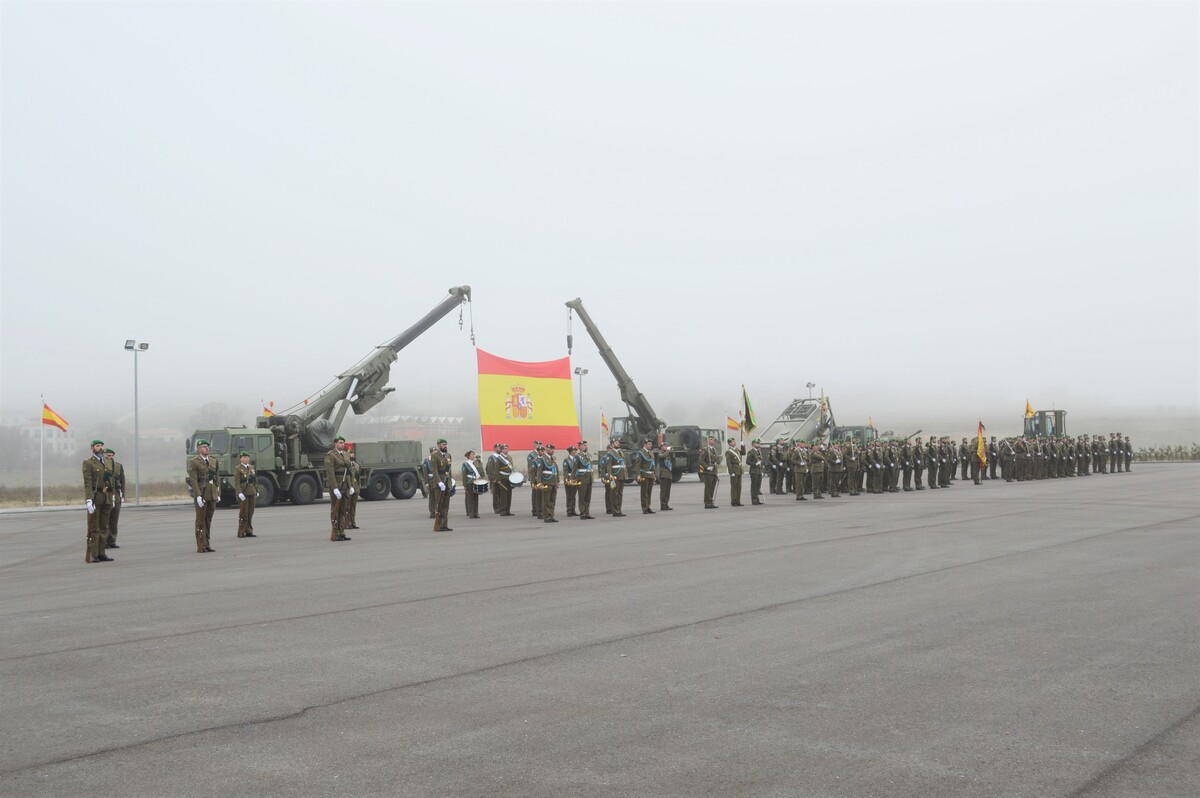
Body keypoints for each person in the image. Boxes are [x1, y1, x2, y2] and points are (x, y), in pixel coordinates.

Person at [82, 439, 114, 563]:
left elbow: (111, 481)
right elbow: (88, 482)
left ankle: (102, 553)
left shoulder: (107, 462)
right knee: (94, 528)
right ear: (92, 448)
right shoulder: (88, 463)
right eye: (97, 446)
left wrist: (113, 496)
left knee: (104, 527)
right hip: (96, 497)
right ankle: (94, 554)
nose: (100, 448)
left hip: (107, 497)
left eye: (101, 446)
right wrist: (89, 500)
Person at [188, 439, 220, 552]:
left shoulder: (213, 461)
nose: (206, 448)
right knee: (200, 520)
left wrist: (217, 491)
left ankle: (207, 544)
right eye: (203, 446)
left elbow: (217, 476)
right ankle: (201, 544)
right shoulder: (194, 462)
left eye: (207, 446)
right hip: (202, 493)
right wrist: (197, 495)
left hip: (212, 493)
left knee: (208, 519)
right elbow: (194, 480)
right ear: (198, 449)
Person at [324, 436, 353, 541]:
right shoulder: (330, 455)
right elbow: (330, 473)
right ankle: (335, 533)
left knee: (344, 510)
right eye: (340, 443)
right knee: (335, 510)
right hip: (338, 485)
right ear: (335, 444)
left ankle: (341, 532)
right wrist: (334, 488)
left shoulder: (345, 454)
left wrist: (351, 485)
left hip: (346, 485)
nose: (342, 444)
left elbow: (350, 470)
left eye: (343, 443)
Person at [104, 448, 125, 548]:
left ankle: (112, 540)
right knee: (105, 520)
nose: (110, 457)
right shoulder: (102, 466)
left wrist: (123, 495)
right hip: (106, 494)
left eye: (112, 456)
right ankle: (104, 541)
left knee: (114, 519)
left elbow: (122, 481)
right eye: (108, 456)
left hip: (116, 494)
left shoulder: (118, 466)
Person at [430, 438, 453, 531]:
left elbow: (449, 471)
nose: (445, 446)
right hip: (440, 483)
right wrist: (439, 482)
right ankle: (438, 525)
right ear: (439, 445)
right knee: (439, 504)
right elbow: (434, 470)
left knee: (446, 505)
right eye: (443, 444)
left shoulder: (448, 455)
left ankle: (444, 525)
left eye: (446, 444)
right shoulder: (435, 456)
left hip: (446, 482)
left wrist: (450, 482)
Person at [234, 450, 257, 538]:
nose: (246, 459)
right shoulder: (238, 468)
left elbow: (255, 479)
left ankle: (249, 531)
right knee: (244, 513)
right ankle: (241, 531)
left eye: (247, 457)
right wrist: (239, 492)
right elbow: (237, 482)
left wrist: (257, 490)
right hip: (244, 492)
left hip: (252, 491)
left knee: (250, 512)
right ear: (240, 459)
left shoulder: (251, 467)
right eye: (244, 457)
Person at [535, 443, 560, 522]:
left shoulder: (554, 458)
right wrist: (539, 482)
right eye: (551, 449)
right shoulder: (543, 458)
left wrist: (558, 481)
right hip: (546, 481)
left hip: (553, 482)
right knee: (546, 501)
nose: (552, 451)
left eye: (553, 449)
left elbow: (556, 471)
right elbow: (539, 471)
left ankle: (551, 515)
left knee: (552, 500)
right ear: (547, 450)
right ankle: (546, 516)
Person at [602, 439, 627, 517]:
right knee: (614, 494)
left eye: (618, 442)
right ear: (612, 445)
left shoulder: (620, 452)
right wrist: (610, 475)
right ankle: (615, 511)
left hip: (621, 475)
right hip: (615, 476)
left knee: (620, 494)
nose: (618, 444)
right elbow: (608, 466)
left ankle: (619, 509)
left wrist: (625, 474)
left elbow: (623, 464)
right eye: (616, 443)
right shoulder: (610, 453)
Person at [571, 441, 595, 519]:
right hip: (582, 478)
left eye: (586, 445)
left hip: (589, 478)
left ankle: (587, 512)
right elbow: (574, 468)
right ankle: (582, 513)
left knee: (588, 497)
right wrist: (573, 479)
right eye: (584, 445)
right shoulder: (578, 456)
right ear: (580, 447)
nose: (586, 446)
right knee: (582, 497)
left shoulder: (589, 455)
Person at [635, 439, 657, 514]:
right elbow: (638, 465)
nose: (651, 445)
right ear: (645, 444)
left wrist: (654, 474)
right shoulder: (640, 453)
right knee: (644, 492)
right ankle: (644, 508)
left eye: (651, 444)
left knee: (649, 492)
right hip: (644, 474)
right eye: (649, 444)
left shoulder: (650, 452)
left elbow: (653, 464)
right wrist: (638, 475)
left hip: (651, 475)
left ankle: (648, 507)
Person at [698, 435, 720, 509]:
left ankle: (711, 502)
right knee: (708, 488)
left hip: (714, 472)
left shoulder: (714, 450)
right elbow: (701, 460)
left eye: (713, 439)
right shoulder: (705, 449)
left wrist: (717, 463)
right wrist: (707, 467)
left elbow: (716, 460)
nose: (712, 441)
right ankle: (707, 503)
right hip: (708, 472)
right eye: (711, 439)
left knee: (712, 488)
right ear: (707, 441)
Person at [461, 449, 484, 519]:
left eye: (473, 454)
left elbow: (479, 472)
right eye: (472, 454)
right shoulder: (465, 464)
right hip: (469, 482)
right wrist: (464, 485)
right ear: (468, 456)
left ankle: (476, 513)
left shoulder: (475, 463)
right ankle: (471, 513)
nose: (473, 456)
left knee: (475, 498)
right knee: (470, 498)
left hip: (476, 481)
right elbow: (464, 475)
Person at [495, 443, 516, 516]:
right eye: (505, 449)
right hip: (503, 478)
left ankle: (508, 510)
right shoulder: (499, 459)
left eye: (507, 448)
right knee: (503, 495)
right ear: (501, 450)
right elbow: (496, 470)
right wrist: (498, 480)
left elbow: (511, 467)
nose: (506, 450)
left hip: (509, 478)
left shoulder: (509, 457)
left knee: (509, 495)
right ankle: (503, 511)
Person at [725, 438, 744, 506]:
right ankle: (733, 501)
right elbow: (728, 463)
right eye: (733, 441)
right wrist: (731, 472)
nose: (734, 442)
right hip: (734, 469)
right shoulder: (729, 452)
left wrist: (743, 445)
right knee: (734, 487)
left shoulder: (737, 449)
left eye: (734, 441)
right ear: (730, 443)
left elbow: (743, 453)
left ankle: (738, 501)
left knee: (739, 486)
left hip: (739, 469)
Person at [345, 450, 362, 529]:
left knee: (353, 506)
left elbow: (358, 477)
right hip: (349, 487)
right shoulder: (346, 466)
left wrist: (358, 487)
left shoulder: (357, 465)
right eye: (350, 454)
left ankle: (353, 522)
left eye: (353, 454)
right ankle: (347, 523)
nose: (352, 455)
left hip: (356, 488)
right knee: (347, 506)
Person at [655, 443, 674, 510]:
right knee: (663, 490)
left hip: (668, 473)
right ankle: (663, 505)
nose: (666, 447)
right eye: (665, 446)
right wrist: (668, 451)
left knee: (667, 490)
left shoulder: (667, 453)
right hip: (663, 473)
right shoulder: (660, 453)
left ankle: (666, 504)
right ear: (661, 447)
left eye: (666, 446)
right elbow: (662, 457)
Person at [486, 443, 503, 514]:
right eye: (499, 448)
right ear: (495, 448)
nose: (500, 449)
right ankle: (496, 508)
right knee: (496, 494)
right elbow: (489, 469)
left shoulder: (501, 457)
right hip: (495, 479)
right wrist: (493, 478)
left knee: (501, 494)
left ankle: (501, 507)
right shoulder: (492, 457)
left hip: (501, 478)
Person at [746, 439, 765, 505]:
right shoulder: (751, 452)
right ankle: (754, 500)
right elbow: (748, 461)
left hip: (759, 471)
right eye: (757, 443)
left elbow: (761, 460)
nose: (759, 444)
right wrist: (755, 463)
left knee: (758, 486)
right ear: (753, 444)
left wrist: (761, 468)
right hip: (754, 471)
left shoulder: (758, 451)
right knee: (754, 486)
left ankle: (757, 499)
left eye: (759, 443)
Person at [419, 447, 436, 518]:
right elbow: (425, 473)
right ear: (431, 452)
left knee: (437, 496)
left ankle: (437, 510)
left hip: (437, 480)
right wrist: (426, 482)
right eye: (434, 452)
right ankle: (432, 512)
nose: (435, 453)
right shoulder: (427, 461)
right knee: (432, 497)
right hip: (430, 480)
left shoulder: (437, 459)